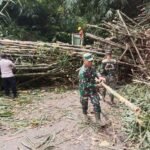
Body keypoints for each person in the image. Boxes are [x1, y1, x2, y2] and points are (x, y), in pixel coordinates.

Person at [79, 53, 105, 125]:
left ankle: (98, 120)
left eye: (91, 61)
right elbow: (85, 85)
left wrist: (100, 77)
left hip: (92, 89)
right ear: (84, 60)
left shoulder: (91, 67)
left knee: (96, 102)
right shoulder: (82, 72)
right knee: (84, 104)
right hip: (84, 90)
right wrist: (97, 85)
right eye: (89, 61)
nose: (91, 62)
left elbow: (96, 72)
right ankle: (85, 115)